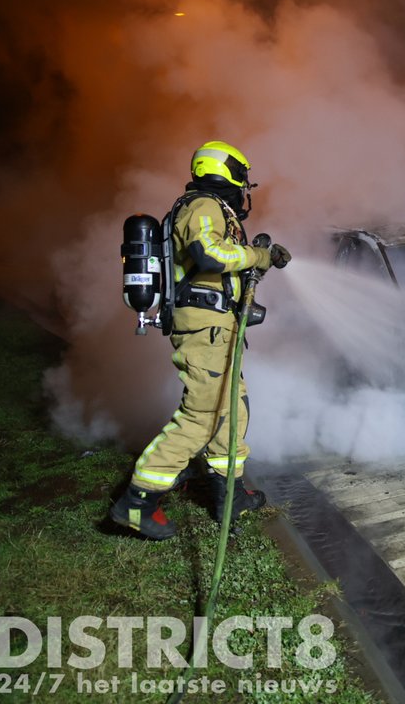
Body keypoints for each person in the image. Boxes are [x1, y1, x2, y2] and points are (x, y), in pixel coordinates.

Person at [108, 141, 291, 539]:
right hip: (205, 329)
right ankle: (137, 502)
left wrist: (257, 258)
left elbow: (221, 263)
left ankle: (232, 496)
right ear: (229, 173)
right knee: (202, 417)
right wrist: (257, 257)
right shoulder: (203, 206)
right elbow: (208, 254)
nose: (245, 187)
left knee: (231, 411)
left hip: (218, 328)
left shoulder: (210, 208)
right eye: (243, 176)